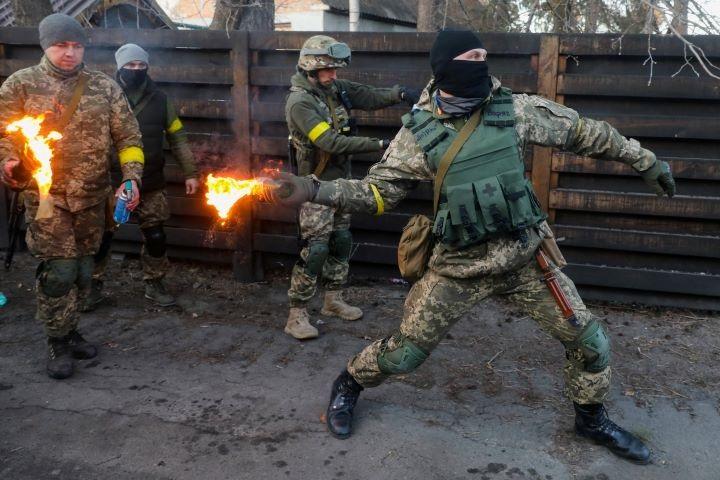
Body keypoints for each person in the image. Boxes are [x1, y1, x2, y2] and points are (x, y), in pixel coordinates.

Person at [267, 30, 677, 464]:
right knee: (405, 354)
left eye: (484, 55)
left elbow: (582, 131)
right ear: (446, 67)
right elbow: (377, 194)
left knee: (591, 342)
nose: (481, 64)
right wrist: (315, 189)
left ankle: (591, 420)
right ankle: (349, 383)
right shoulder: (418, 134)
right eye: (471, 57)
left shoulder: (514, 110)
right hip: (459, 267)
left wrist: (643, 159)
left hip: (524, 259)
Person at [0, 14, 144, 379]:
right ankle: (57, 341)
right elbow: (5, 134)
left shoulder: (103, 87)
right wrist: (8, 160)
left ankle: (70, 327)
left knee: (83, 269)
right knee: (60, 271)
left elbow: (129, 137)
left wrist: (131, 178)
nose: (69, 53)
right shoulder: (20, 85)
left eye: (77, 46)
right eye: (61, 45)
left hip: (93, 197)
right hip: (47, 197)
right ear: (45, 46)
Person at [284, 34, 420, 340]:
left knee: (341, 241)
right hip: (314, 187)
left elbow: (367, 95)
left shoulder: (334, 90)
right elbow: (330, 142)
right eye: (328, 69)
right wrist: (381, 144)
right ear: (311, 67)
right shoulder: (300, 102)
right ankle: (297, 314)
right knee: (315, 249)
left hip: (341, 184)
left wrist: (399, 93)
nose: (334, 75)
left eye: (335, 69)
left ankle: (333, 300)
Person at [81, 43, 200, 310]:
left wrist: (190, 173)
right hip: (111, 181)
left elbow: (178, 139)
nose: (136, 69)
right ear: (120, 67)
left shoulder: (161, 99)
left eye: (141, 65)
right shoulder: (103, 96)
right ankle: (92, 285)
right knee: (101, 237)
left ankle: (154, 282)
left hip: (151, 180)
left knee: (156, 236)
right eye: (130, 65)